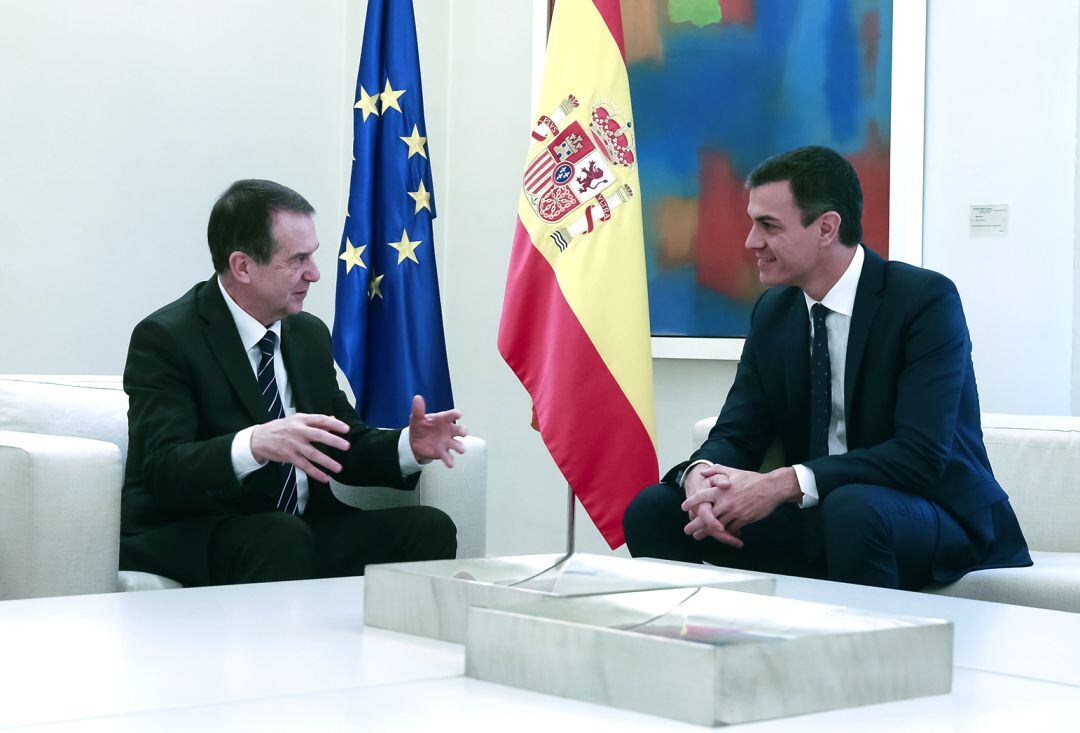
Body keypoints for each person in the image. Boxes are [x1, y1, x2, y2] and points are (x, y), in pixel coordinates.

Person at [623, 146, 1031, 590]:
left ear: (826, 227)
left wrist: (784, 483)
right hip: (826, 512)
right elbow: (739, 433)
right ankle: (712, 654)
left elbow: (920, 455)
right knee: (656, 510)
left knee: (852, 511)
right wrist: (700, 477)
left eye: (769, 226)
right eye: (752, 223)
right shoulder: (774, 312)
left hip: (931, 512)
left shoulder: (923, 301)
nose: (750, 242)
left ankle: (864, 660)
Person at [120, 179, 465, 586]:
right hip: (200, 529)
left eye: (312, 256)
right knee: (279, 537)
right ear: (243, 266)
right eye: (297, 260)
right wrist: (254, 444)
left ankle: (393, 650)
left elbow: (341, 443)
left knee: (427, 528)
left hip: (299, 528)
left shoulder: (307, 334)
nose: (315, 274)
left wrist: (409, 446)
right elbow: (163, 469)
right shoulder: (167, 338)